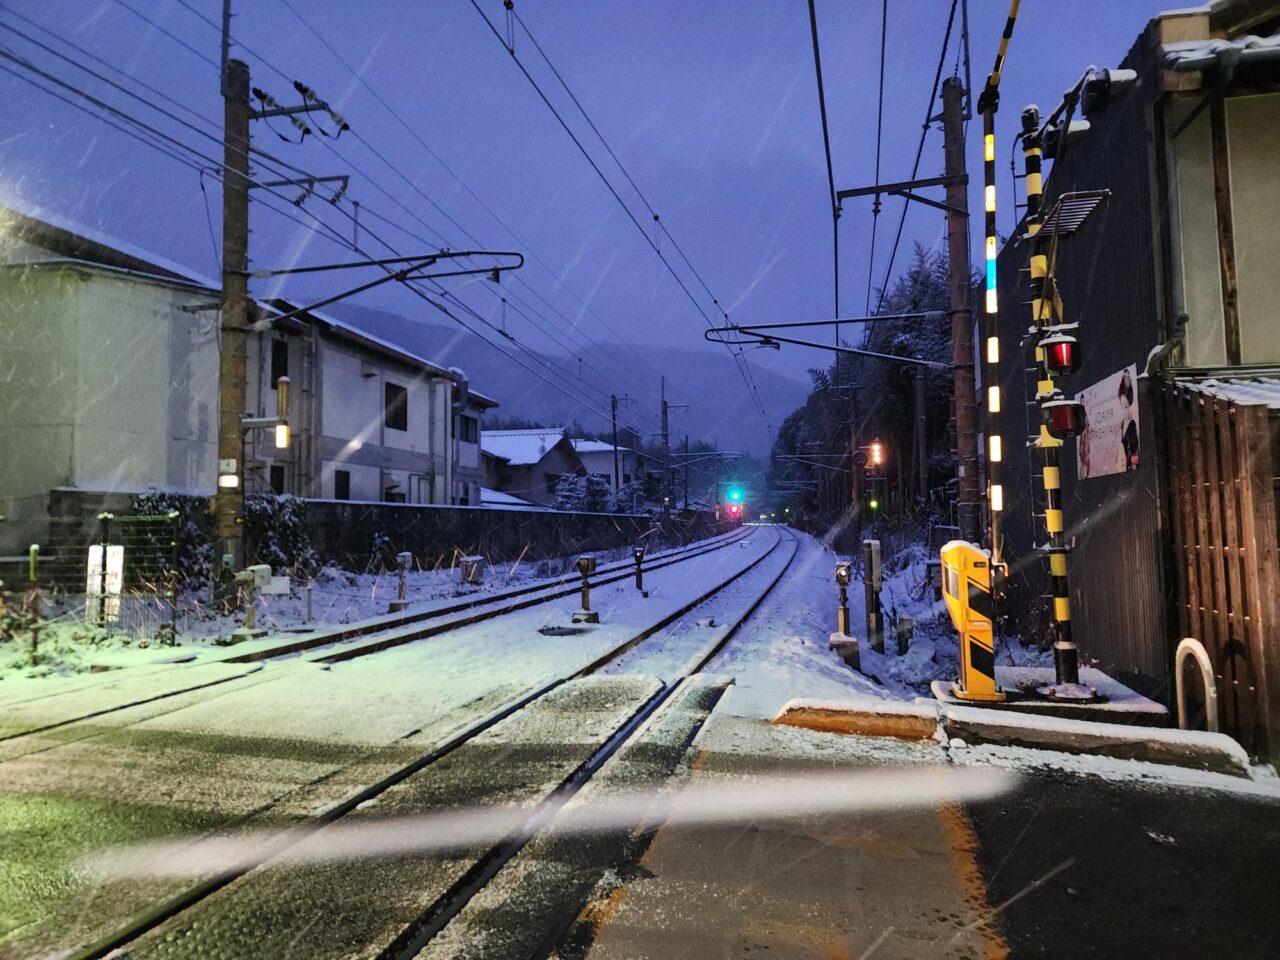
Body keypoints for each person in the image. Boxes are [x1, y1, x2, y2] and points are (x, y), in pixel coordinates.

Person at [1118, 369, 1139, 471]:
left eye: (1126, 406)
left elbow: (1133, 447)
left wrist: (1133, 464)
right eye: (1122, 406)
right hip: (1127, 466)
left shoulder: (1131, 423)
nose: (1124, 409)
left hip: (1130, 466)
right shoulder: (1123, 423)